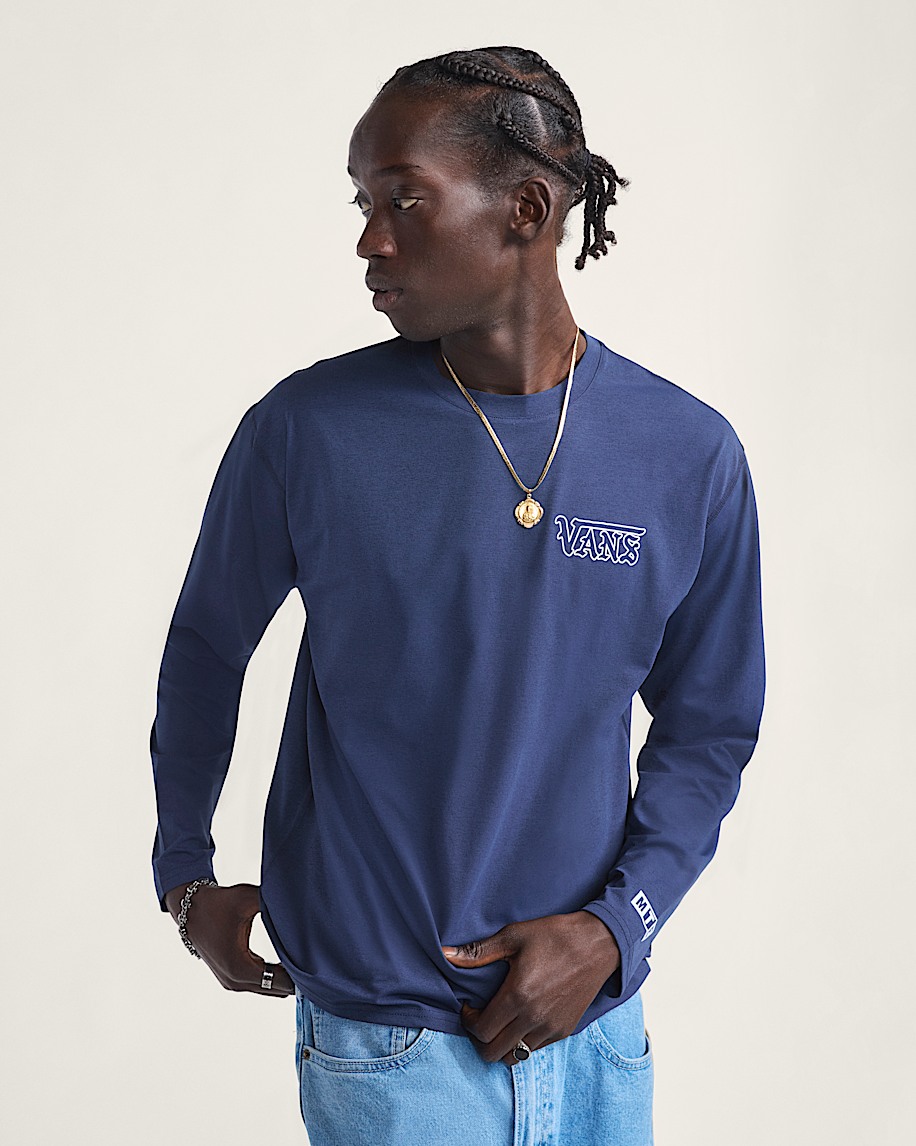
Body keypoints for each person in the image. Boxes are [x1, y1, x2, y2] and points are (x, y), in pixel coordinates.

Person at [150, 45, 765, 1146]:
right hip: (386, 1043)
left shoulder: (687, 452)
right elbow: (206, 649)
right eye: (363, 203)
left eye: (403, 199)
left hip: (596, 1034)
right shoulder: (307, 431)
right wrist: (185, 876)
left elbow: (710, 727)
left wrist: (617, 930)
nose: (369, 239)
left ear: (525, 209)